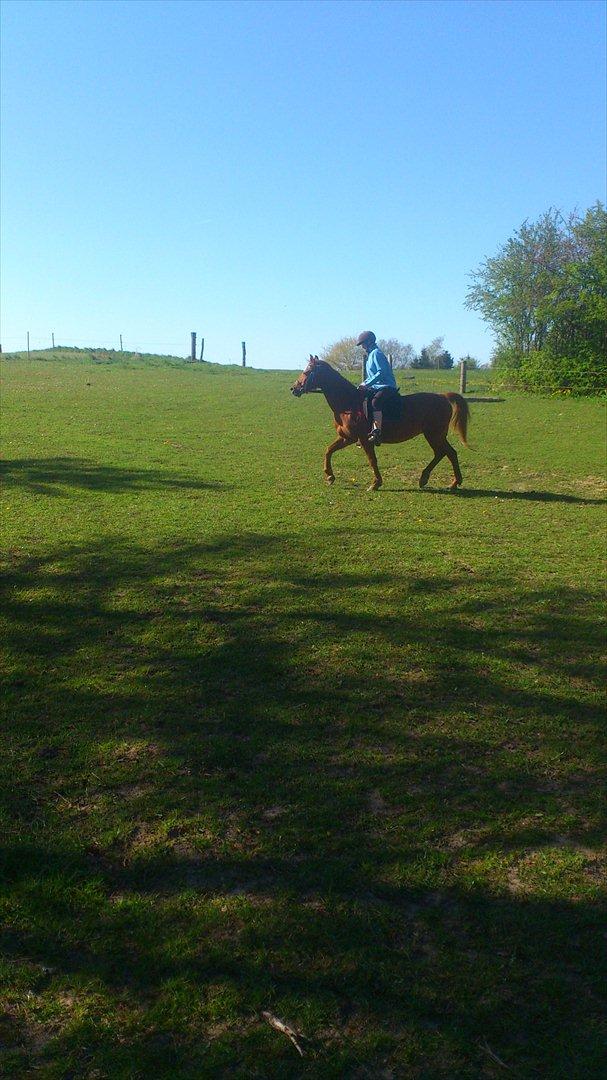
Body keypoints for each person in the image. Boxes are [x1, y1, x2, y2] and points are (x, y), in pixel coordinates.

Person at [355, 331, 397, 445]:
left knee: (375, 402)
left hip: (386, 386)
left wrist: (367, 385)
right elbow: (371, 376)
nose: (362, 346)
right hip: (376, 387)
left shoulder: (376, 354)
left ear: (369, 342)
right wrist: (363, 384)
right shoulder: (370, 355)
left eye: (363, 344)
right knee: (362, 401)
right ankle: (364, 431)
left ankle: (377, 432)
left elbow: (381, 373)